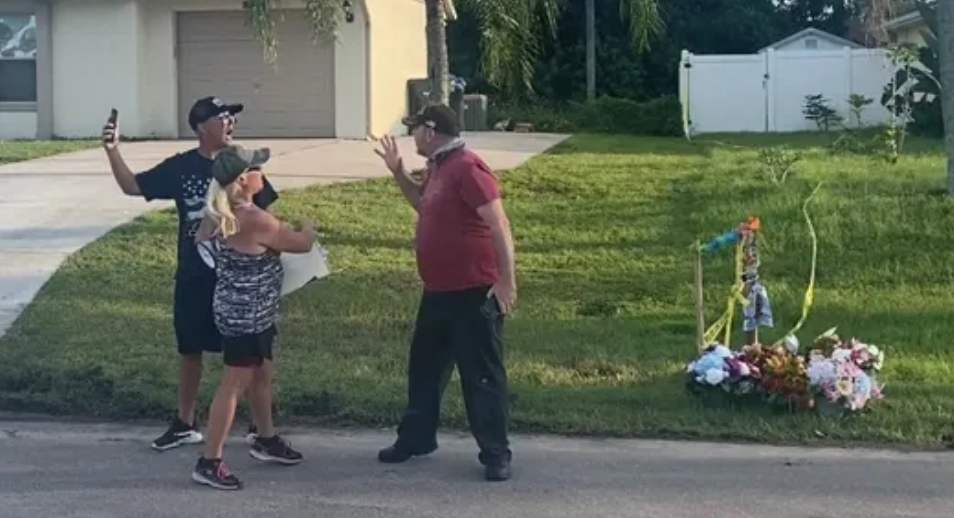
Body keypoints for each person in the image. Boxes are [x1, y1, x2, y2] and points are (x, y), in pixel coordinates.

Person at [102, 97, 278, 451]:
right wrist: (112, 150)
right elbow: (133, 186)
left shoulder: (239, 165)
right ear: (201, 127)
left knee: (254, 357)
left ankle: (263, 431)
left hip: (239, 282)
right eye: (223, 117)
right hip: (195, 276)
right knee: (190, 349)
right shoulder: (181, 168)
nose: (231, 123)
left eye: (232, 118)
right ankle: (184, 422)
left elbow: (266, 218)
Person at [373, 105, 517, 481]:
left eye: (415, 128)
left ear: (431, 131)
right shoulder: (439, 166)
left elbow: (498, 223)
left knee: (482, 376)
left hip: (473, 292)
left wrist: (505, 282)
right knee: (424, 370)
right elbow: (422, 204)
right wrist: (398, 172)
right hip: (437, 291)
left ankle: (495, 453)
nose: (412, 135)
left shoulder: (468, 168)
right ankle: (416, 439)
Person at [190, 144, 316, 490]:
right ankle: (209, 460)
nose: (263, 173)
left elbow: (203, 245)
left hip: (241, 310)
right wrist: (308, 226)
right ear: (244, 179)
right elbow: (301, 243)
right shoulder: (255, 219)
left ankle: (266, 438)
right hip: (248, 317)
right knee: (234, 385)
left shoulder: (219, 213)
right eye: (258, 169)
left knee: (262, 373)